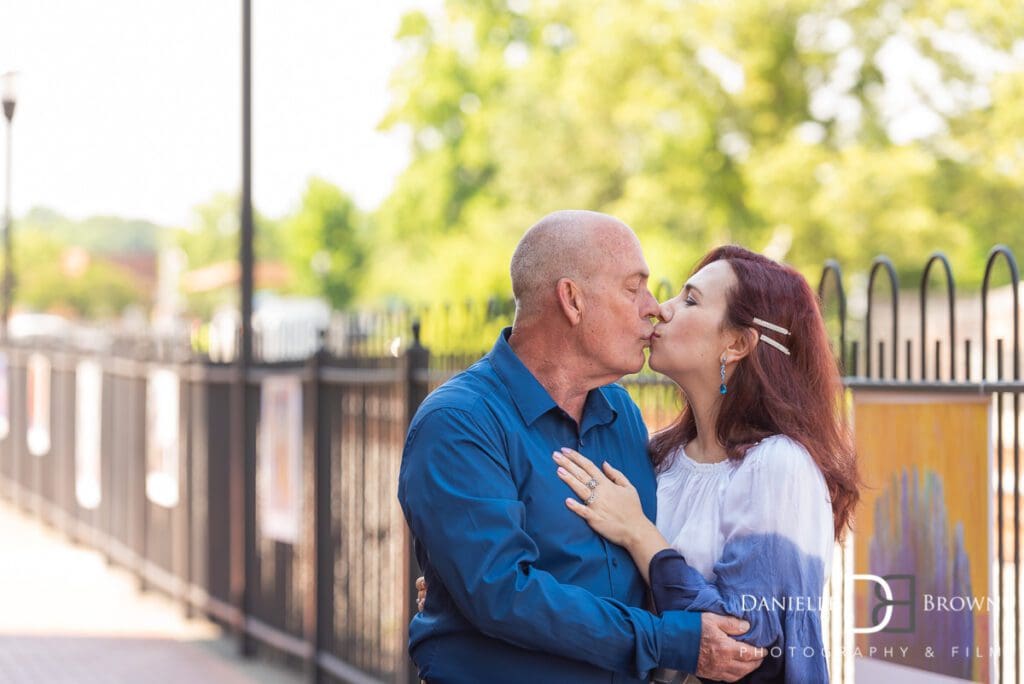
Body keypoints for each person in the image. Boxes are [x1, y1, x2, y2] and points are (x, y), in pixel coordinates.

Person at [398, 212, 763, 683]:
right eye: (634, 289)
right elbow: (504, 595)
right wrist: (670, 640)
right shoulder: (460, 422)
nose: (654, 308)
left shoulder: (620, 413)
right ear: (572, 300)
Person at [554, 246, 860, 682]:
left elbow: (743, 641)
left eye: (691, 300)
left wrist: (641, 534)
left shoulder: (777, 466)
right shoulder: (659, 456)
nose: (662, 309)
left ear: (736, 344)